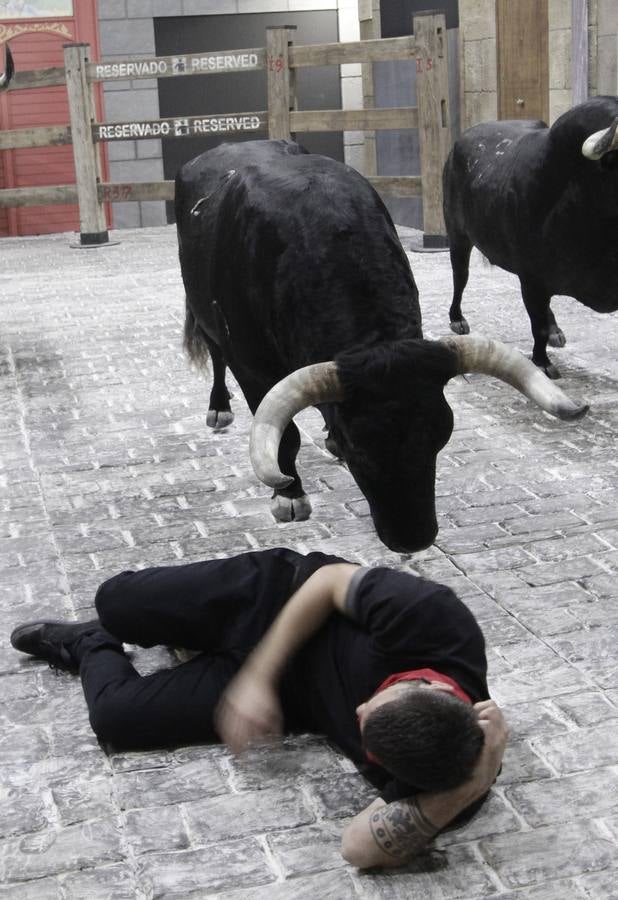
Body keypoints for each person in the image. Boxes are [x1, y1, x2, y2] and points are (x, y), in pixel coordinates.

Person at [10, 547, 507, 868]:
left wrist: (474, 785)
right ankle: (143, 628)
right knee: (116, 601)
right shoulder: (433, 619)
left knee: (115, 719)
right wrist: (257, 677)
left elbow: (357, 848)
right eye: (375, 702)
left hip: (289, 699)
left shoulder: (442, 771)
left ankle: (90, 642)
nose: (357, 710)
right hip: (273, 599)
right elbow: (329, 581)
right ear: (429, 687)